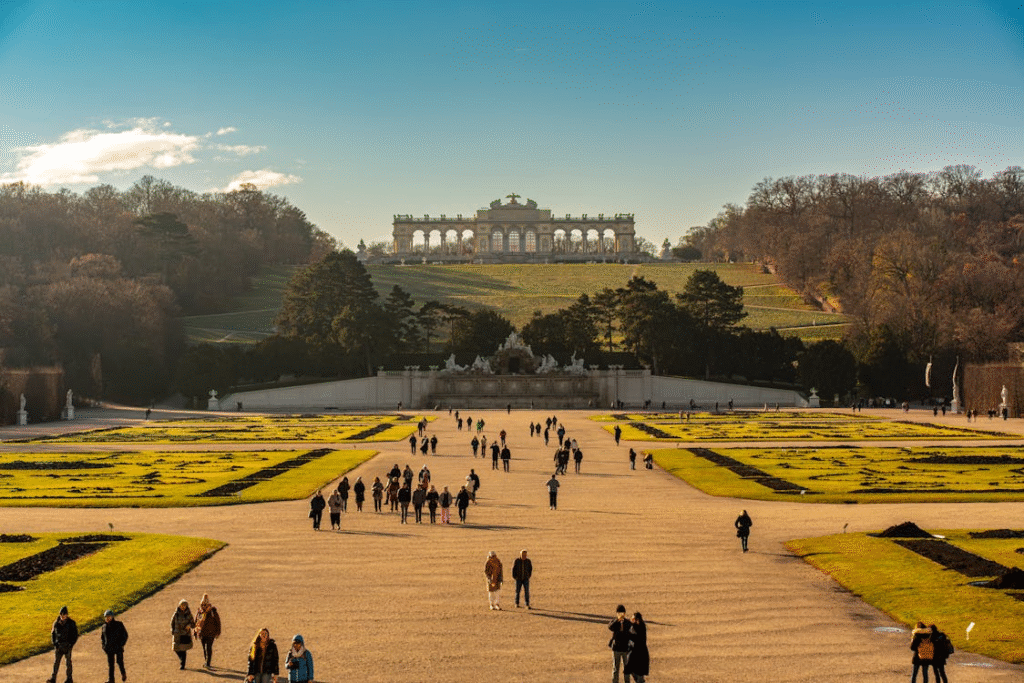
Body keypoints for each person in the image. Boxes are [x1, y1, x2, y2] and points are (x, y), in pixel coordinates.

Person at [48, 605, 78, 683]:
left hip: (68, 646)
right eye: (62, 615)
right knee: (56, 663)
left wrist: (71, 644)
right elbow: (53, 634)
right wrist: (55, 644)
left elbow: (75, 635)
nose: (63, 616)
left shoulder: (71, 623)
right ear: (60, 614)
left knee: (68, 662)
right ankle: (53, 678)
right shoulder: (56, 623)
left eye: (65, 615)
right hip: (59, 646)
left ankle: (69, 678)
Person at [193, 593, 221, 668]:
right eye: (202, 605)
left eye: (205, 605)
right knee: (204, 649)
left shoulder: (213, 612)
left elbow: (218, 622)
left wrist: (218, 632)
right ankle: (207, 661)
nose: (203, 606)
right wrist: (195, 632)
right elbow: (196, 623)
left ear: (208, 604)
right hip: (202, 633)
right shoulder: (199, 612)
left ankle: (208, 663)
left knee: (208, 648)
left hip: (210, 633)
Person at [100, 609, 128, 683]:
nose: (108, 619)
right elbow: (102, 638)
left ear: (112, 617)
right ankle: (111, 679)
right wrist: (104, 646)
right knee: (111, 664)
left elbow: (125, 635)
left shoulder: (119, 624)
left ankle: (123, 673)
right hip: (109, 648)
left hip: (118, 647)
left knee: (119, 662)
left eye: (109, 617)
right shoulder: (104, 626)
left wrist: (121, 644)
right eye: (106, 617)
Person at [623, 612, 649, 683]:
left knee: (637, 672)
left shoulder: (639, 627)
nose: (632, 619)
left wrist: (629, 634)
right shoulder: (638, 626)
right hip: (635, 652)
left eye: (633, 618)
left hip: (639, 653)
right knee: (630, 669)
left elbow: (637, 638)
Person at [608, 605, 632, 683]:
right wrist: (617, 621)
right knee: (615, 669)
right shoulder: (614, 622)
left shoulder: (628, 623)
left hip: (625, 648)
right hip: (616, 648)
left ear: (624, 614)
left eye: (622, 613)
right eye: (619, 613)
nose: (621, 615)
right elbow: (610, 627)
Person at [171, 598, 196, 670]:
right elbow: (172, 623)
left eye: (184, 606)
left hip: (185, 634)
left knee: (183, 649)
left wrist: (189, 625)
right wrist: (172, 631)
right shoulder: (176, 614)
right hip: (177, 634)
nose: (183, 607)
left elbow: (193, 624)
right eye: (182, 606)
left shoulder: (188, 614)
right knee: (176, 648)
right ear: (179, 606)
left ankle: (182, 664)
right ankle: (181, 658)